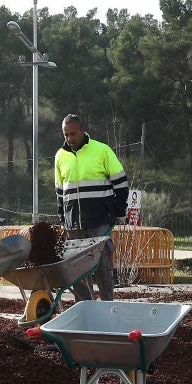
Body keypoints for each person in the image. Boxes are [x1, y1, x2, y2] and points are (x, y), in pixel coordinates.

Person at [52, 114, 129, 301]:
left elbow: (120, 183)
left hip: (100, 218)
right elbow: (60, 192)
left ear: (83, 130)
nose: (70, 138)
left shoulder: (102, 150)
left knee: (102, 263)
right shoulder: (60, 156)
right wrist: (63, 218)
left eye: (73, 133)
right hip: (74, 221)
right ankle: (83, 306)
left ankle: (107, 304)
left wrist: (119, 210)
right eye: (66, 134)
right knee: (77, 265)